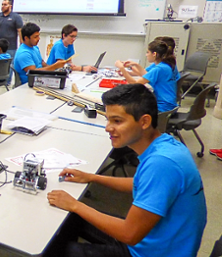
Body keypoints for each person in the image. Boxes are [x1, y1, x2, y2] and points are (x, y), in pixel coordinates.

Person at [46, 84, 206, 257]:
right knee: (72, 219)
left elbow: (129, 234)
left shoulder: (162, 163)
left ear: (144, 121)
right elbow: (140, 183)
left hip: (151, 252)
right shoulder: (164, 144)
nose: (108, 127)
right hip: (152, 241)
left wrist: (75, 204)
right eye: (108, 119)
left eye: (117, 121)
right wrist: (91, 177)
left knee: (54, 250)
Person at [115, 40, 178, 112]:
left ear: (154, 54)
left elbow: (135, 84)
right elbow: (147, 75)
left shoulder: (159, 68)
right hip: (170, 105)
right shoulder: (164, 65)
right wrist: (135, 65)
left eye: (148, 52)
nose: (146, 55)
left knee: (129, 108)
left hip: (163, 107)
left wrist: (121, 68)